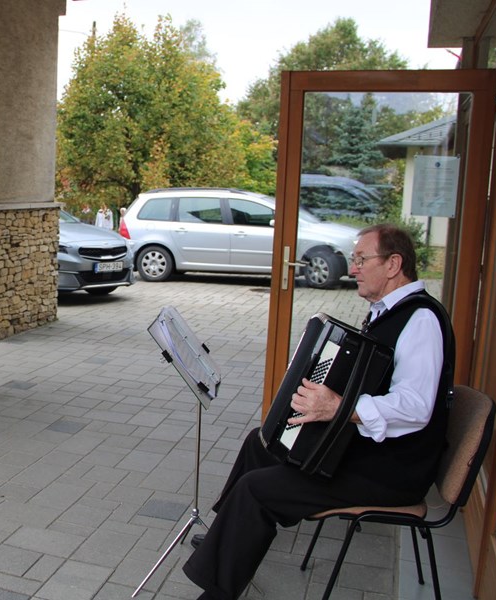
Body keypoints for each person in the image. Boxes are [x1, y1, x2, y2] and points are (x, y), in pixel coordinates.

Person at [183, 223, 452, 600]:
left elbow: (416, 407)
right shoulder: (388, 311)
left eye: (361, 260)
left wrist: (338, 406)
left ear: (393, 264)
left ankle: (218, 589)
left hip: (390, 472)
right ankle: (227, 537)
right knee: (262, 443)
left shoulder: (421, 320)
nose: (353, 268)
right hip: (367, 451)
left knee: (255, 489)